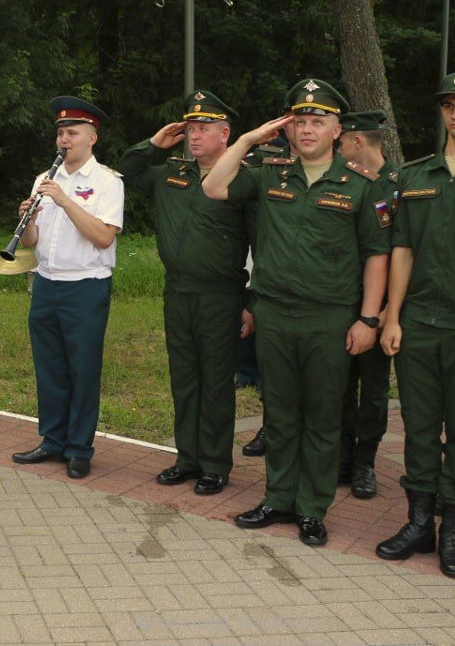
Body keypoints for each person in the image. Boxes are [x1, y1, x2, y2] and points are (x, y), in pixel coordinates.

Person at [202, 79, 390, 547]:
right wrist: (247, 140)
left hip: (329, 317)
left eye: (317, 121)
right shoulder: (271, 175)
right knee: (281, 413)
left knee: (323, 416)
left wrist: (368, 319)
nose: (307, 130)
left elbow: (377, 257)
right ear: (287, 128)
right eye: (299, 121)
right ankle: (278, 498)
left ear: (337, 130)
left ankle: (312, 508)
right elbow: (212, 185)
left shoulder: (361, 186)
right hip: (275, 313)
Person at [116, 90, 251, 495]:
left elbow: (261, 245)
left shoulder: (243, 180)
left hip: (221, 294)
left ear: (224, 134)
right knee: (184, 377)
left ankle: (215, 464)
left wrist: (252, 303)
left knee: (215, 380)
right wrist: (155, 143)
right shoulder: (171, 172)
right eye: (191, 128)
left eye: (204, 128)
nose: (194, 136)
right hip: (177, 292)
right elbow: (125, 173)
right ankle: (187, 458)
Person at [10, 96, 124, 481]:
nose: (64, 140)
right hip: (46, 283)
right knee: (50, 367)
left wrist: (66, 200)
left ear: (92, 138)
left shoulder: (107, 182)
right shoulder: (45, 177)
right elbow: (30, 242)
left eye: (72, 133)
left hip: (85, 287)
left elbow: (104, 237)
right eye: (60, 133)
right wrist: (27, 219)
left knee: (82, 369)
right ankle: (52, 440)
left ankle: (79, 449)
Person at [375, 73, 455, 574]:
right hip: (421, 323)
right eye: (449, 105)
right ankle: (420, 524)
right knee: (420, 428)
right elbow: (400, 250)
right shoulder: (416, 176)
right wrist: (392, 316)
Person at [335, 109, 398, 500]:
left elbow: (405, 251)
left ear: (357, 141)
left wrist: (388, 312)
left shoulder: (401, 185)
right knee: (340, 384)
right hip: (340, 300)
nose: (337, 148)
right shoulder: (344, 184)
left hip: (381, 306)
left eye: (341, 141)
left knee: (373, 390)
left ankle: (365, 463)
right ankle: (341, 459)